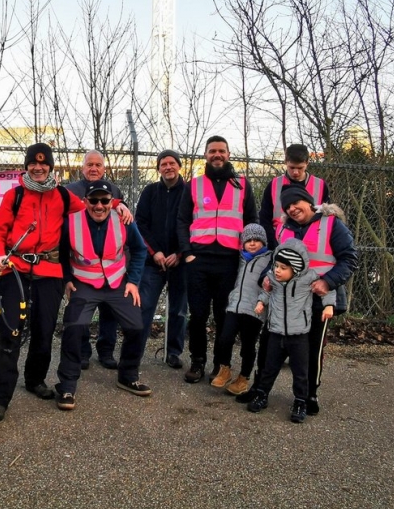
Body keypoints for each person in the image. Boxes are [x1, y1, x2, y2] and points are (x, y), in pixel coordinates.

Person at [0, 142, 86, 421]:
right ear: (27, 166)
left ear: (51, 166)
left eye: (43, 164)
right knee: (10, 333)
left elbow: (92, 207)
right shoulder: (14, 196)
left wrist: (119, 205)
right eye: (33, 163)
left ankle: (35, 379)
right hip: (14, 269)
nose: (38, 168)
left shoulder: (63, 196)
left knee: (44, 330)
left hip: (50, 271)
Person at [259, 184, 358, 415]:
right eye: (287, 206)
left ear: (308, 201)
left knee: (312, 350)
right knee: (270, 345)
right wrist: (266, 277)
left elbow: (350, 258)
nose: (292, 209)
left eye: (296, 203)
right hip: (285, 299)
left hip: (317, 298)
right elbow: (275, 259)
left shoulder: (332, 224)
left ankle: (309, 395)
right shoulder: (283, 229)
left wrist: (328, 281)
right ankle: (260, 388)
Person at [54, 181, 151, 410]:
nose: (99, 206)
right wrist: (67, 278)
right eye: (94, 201)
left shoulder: (124, 219)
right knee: (74, 327)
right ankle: (67, 386)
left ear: (111, 202)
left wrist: (134, 282)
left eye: (105, 201)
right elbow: (60, 252)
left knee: (137, 325)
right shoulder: (71, 222)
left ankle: (128, 376)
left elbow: (139, 250)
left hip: (117, 283)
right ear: (85, 201)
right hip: (84, 283)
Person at [177, 135, 258, 383]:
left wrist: (248, 257)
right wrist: (187, 253)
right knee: (198, 315)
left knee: (225, 316)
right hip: (198, 260)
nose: (217, 155)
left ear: (229, 154)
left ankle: (220, 363)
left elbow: (252, 222)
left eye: (221, 151)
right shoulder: (195, 184)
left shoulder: (242, 185)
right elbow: (182, 220)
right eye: (212, 151)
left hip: (229, 260)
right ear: (206, 155)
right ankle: (198, 361)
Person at [248, 239, 336, 423]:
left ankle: (300, 401)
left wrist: (328, 306)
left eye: (283, 268)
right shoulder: (273, 278)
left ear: (295, 268)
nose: (278, 270)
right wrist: (260, 302)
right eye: (277, 266)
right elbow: (266, 291)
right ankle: (262, 394)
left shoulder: (308, 278)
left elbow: (327, 289)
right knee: (269, 367)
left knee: (300, 371)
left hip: (299, 335)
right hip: (276, 332)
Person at [64, 150, 130, 369]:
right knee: (81, 312)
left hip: (110, 267)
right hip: (82, 267)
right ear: (82, 167)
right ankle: (82, 352)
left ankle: (106, 351)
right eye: (89, 164)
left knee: (109, 313)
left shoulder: (114, 190)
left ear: (104, 168)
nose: (93, 168)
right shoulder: (70, 191)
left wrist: (122, 205)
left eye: (98, 165)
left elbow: (122, 217)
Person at [135, 149, 188, 369]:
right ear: (158, 168)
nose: (168, 167)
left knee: (178, 310)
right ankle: (134, 352)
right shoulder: (149, 192)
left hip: (179, 262)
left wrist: (180, 253)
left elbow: (192, 225)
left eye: (172, 163)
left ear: (179, 166)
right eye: (163, 164)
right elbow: (140, 224)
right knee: (144, 306)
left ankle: (173, 352)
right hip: (152, 262)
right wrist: (154, 252)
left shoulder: (189, 192)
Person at [210, 223, 271, 395]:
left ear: (264, 242)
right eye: (248, 240)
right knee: (225, 338)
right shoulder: (239, 258)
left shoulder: (269, 259)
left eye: (257, 240)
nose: (252, 243)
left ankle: (244, 377)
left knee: (248, 346)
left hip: (254, 310)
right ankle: (225, 368)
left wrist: (263, 301)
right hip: (234, 306)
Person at [259, 143, 330, 249]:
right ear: (285, 162)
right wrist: (272, 242)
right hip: (279, 241)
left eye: (300, 168)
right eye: (291, 167)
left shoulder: (320, 185)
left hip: (311, 242)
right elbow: (265, 217)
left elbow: (326, 218)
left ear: (307, 163)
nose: (295, 172)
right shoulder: (274, 185)